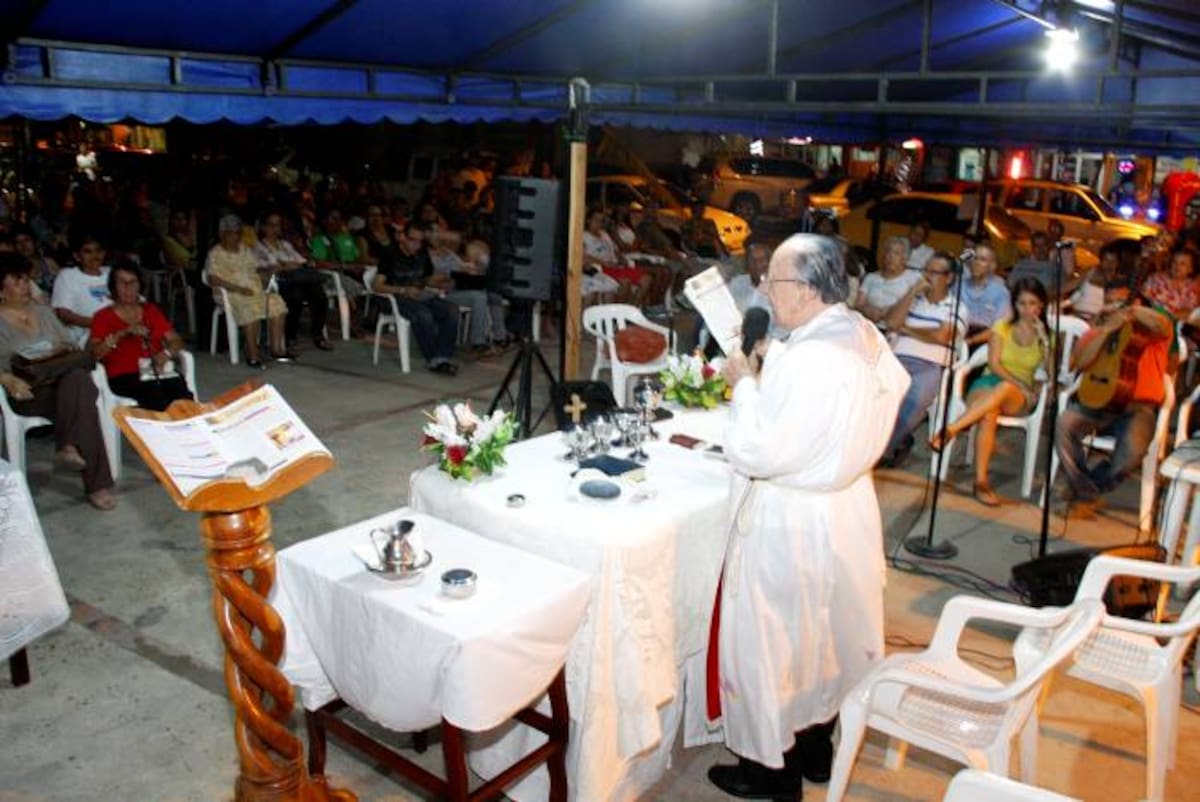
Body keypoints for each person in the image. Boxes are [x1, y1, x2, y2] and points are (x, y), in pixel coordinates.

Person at [708, 234, 909, 800]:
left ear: (803, 289)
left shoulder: (807, 357)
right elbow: (864, 400)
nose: (766, 290)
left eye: (774, 281)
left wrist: (745, 385)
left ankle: (772, 773)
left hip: (791, 520)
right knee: (825, 641)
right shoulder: (864, 333)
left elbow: (760, 451)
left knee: (773, 648)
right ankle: (818, 748)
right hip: (846, 506)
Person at [0, 253, 115, 510]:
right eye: (18, 281)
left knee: (78, 382)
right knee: (83, 397)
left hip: (61, 381)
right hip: (28, 390)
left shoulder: (43, 312)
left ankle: (67, 445)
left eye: (27, 279)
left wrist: (59, 348)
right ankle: (96, 483)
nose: (26, 286)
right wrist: (7, 379)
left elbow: (70, 344)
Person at [929, 277, 1052, 506]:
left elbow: (1052, 373)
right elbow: (994, 364)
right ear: (1014, 305)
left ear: (1041, 305)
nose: (1027, 309)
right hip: (989, 381)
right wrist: (1020, 383)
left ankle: (953, 429)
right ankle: (981, 482)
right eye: (1021, 303)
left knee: (1004, 389)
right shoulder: (1002, 327)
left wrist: (1044, 340)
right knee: (988, 412)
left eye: (1032, 303)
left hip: (1018, 396)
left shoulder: (1046, 335)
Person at [1054, 288, 1175, 519]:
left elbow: (1163, 324)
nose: (1113, 306)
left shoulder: (1153, 333)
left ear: (1138, 302)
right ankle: (1085, 490)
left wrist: (1130, 311)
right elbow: (1078, 364)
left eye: (1119, 301)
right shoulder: (1099, 330)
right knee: (1064, 425)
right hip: (1096, 402)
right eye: (1109, 301)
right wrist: (1104, 331)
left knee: (1130, 456)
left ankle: (1085, 487)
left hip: (1138, 407)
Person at [880, 251, 968, 467]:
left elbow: (942, 336)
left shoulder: (957, 307)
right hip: (896, 358)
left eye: (934, 272)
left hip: (930, 364)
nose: (926, 277)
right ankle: (882, 444)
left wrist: (907, 329)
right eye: (925, 271)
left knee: (916, 399)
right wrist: (911, 292)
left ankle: (882, 450)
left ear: (949, 278)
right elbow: (891, 323)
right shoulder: (914, 300)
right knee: (871, 392)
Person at [90, 262, 192, 411]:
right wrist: (122, 333)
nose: (128, 287)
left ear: (139, 285)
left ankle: (189, 430)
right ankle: (161, 432)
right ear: (113, 286)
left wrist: (166, 353)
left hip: (156, 371)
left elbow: (176, 340)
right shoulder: (102, 317)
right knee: (154, 394)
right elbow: (95, 354)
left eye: (133, 282)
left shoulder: (150, 311)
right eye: (122, 282)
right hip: (124, 376)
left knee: (179, 389)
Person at [369, 221, 459, 375]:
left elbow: (426, 279)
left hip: (419, 293)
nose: (417, 245)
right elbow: (376, 286)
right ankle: (435, 359)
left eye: (420, 241)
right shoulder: (390, 255)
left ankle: (442, 357)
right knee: (424, 315)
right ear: (402, 237)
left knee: (451, 310)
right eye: (413, 240)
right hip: (396, 297)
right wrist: (403, 289)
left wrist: (442, 282)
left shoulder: (422, 254)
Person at [205, 214, 290, 368]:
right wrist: (238, 289)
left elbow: (255, 268)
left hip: (253, 289)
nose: (236, 237)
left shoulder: (245, 250)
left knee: (276, 302)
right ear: (222, 234)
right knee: (250, 306)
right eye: (232, 233)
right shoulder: (215, 253)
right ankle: (252, 352)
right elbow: (213, 279)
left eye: (238, 233)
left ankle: (276, 349)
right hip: (230, 292)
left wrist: (267, 272)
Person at [254, 212, 333, 352]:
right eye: (271, 225)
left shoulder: (285, 244)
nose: (274, 228)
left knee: (319, 295)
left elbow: (301, 261)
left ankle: (318, 335)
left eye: (277, 225)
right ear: (264, 227)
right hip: (277, 283)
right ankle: (290, 337)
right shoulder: (259, 247)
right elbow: (264, 266)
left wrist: (285, 264)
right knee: (294, 296)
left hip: (296, 279)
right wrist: (285, 265)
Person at [52, 233, 112, 346]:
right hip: (89, 336)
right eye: (88, 252)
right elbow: (64, 315)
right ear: (77, 256)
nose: (95, 255)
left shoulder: (112, 272)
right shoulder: (68, 276)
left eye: (98, 251)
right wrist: (100, 324)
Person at [856, 235, 921, 329]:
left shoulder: (913, 278)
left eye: (896, 253)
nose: (890, 257)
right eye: (888, 252)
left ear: (905, 259)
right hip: (869, 327)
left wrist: (888, 311)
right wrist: (867, 310)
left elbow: (916, 306)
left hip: (896, 330)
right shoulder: (871, 277)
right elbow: (858, 305)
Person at [960, 243, 1012, 346]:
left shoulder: (1000, 292)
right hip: (957, 334)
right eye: (975, 258)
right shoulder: (958, 286)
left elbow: (1000, 328)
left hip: (985, 340)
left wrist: (971, 341)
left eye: (983, 260)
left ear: (992, 266)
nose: (977, 263)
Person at [1141, 249, 1199, 321]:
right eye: (1175, 262)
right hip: (1149, 318)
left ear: (1190, 269)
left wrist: (1173, 317)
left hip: (1173, 325)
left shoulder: (1191, 288)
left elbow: (1189, 312)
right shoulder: (1156, 279)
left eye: (1183, 264)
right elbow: (1142, 298)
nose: (1177, 266)